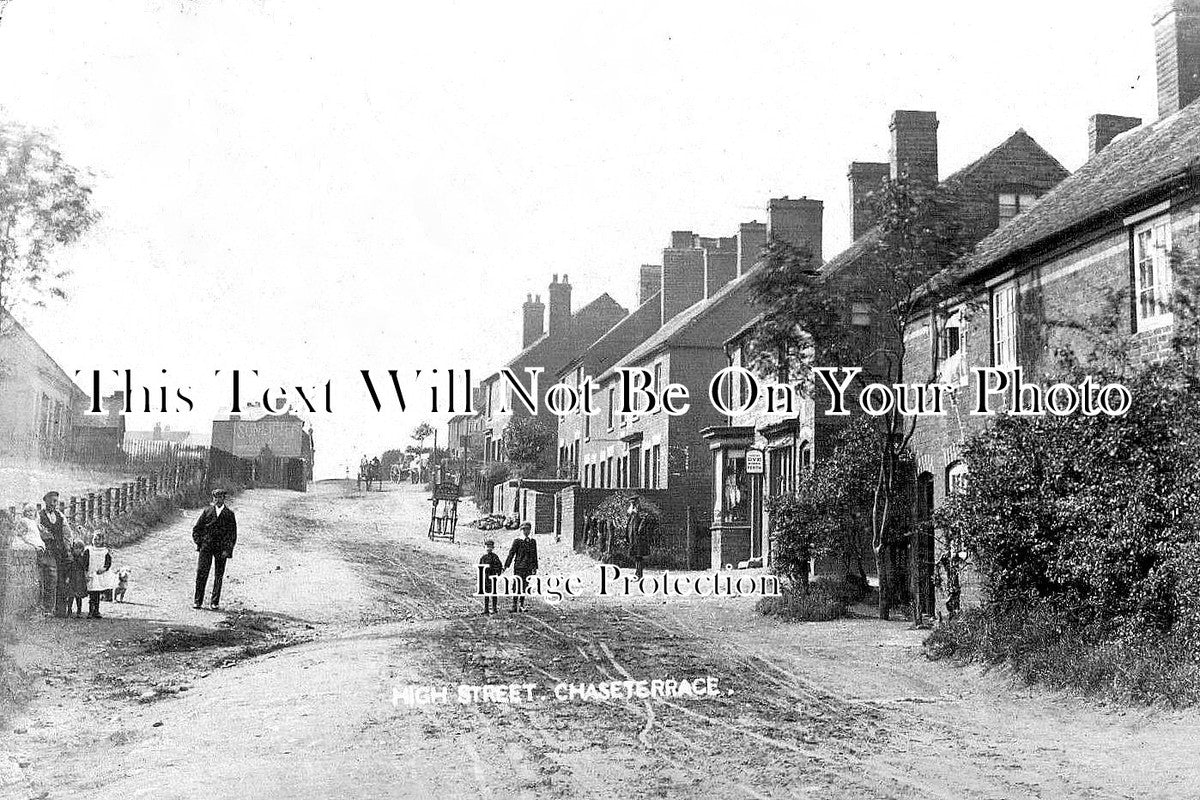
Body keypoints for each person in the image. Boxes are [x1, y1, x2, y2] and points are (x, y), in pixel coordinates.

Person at [192, 488, 237, 610]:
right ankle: (198, 601)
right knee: (201, 574)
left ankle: (214, 602)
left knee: (218, 576)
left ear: (224, 499)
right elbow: (196, 529)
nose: (218, 500)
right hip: (206, 548)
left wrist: (227, 550)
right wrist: (200, 543)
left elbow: (232, 535)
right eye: (216, 497)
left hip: (221, 550)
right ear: (213, 498)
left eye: (220, 497)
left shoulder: (229, 515)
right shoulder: (207, 512)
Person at [39, 492, 71, 617]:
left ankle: (60, 610)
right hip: (48, 552)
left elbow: (67, 533)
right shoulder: (40, 515)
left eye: (56, 501)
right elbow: (38, 531)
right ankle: (48, 610)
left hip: (60, 551)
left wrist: (67, 548)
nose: (54, 504)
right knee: (50, 580)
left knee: (62, 580)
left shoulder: (60, 515)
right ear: (45, 501)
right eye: (52, 501)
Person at [503, 522, 538, 613]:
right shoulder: (517, 541)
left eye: (528, 529)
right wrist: (506, 565)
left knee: (525, 585)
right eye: (524, 529)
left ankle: (521, 604)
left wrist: (534, 567)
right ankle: (514, 605)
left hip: (528, 568)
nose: (526, 531)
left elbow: (534, 555)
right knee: (517, 585)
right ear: (521, 530)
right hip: (519, 567)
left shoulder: (532, 542)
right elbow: (511, 554)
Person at [82, 531, 114, 619]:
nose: (96, 541)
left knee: (97, 593)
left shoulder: (105, 551)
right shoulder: (89, 550)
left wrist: (104, 569)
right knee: (92, 593)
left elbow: (108, 562)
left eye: (98, 540)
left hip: (99, 575)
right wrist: (85, 573)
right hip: (91, 574)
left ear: (102, 541)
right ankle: (90, 611)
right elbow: (84, 562)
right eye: (94, 539)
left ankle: (96, 610)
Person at [625, 497, 657, 580]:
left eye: (633, 504)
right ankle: (637, 573)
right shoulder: (632, 514)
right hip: (633, 538)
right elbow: (629, 525)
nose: (631, 506)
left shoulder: (640, 513)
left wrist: (640, 533)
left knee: (639, 557)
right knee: (636, 557)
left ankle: (639, 574)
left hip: (638, 539)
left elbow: (642, 525)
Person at [478, 539, 503, 615]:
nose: (489, 548)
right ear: (484, 547)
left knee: (493, 593)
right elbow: (480, 567)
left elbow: (499, 566)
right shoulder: (483, 558)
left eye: (490, 547)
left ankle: (494, 608)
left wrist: (498, 572)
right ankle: (486, 609)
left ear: (493, 548)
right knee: (486, 593)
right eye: (487, 546)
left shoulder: (495, 557)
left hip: (493, 577)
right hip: (485, 578)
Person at [65, 538, 88, 618]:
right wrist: (67, 577)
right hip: (72, 578)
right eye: (76, 548)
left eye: (80, 548)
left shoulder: (82, 558)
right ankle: (69, 610)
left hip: (80, 579)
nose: (78, 550)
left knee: (79, 596)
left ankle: (79, 611)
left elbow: (84, 567)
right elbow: (68, 568)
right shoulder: (71, 558)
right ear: (73, 549)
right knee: (71, 595)